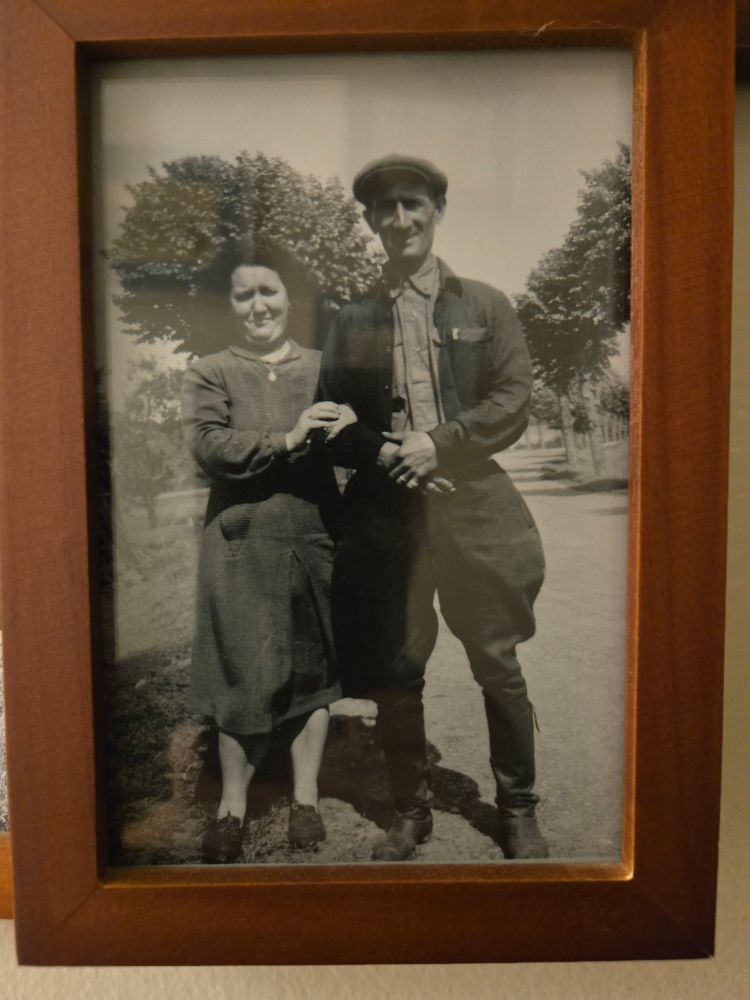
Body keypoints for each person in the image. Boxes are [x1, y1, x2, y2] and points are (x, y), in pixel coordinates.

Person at [318, 155, 549, 861]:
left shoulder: (484, 304)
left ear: (438, 209)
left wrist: (440, 445)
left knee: (497, 662)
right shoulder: (351, 318)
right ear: (370, 221)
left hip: (473, 504)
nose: (400, 220)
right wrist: (394, 455)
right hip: (389, 515)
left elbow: (512, 399)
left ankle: (517, 809)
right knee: (397, 667)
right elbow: (330, 417)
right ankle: (410, 810)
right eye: (385, 209)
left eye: (413, 204)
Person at [181, 242, 355, 863]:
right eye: (244, 294)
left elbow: (357, 435)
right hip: (239, 543)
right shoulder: (211, 370)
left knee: (313, 669)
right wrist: (286, 437)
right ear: (229, 306)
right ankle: (232, 808)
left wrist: (349, 424)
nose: (258, 305)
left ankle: (305, 800)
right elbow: (208, 445)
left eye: (269, 291)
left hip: (313, 537)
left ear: (290, 297)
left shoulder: (321, 364)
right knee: (241, 675)